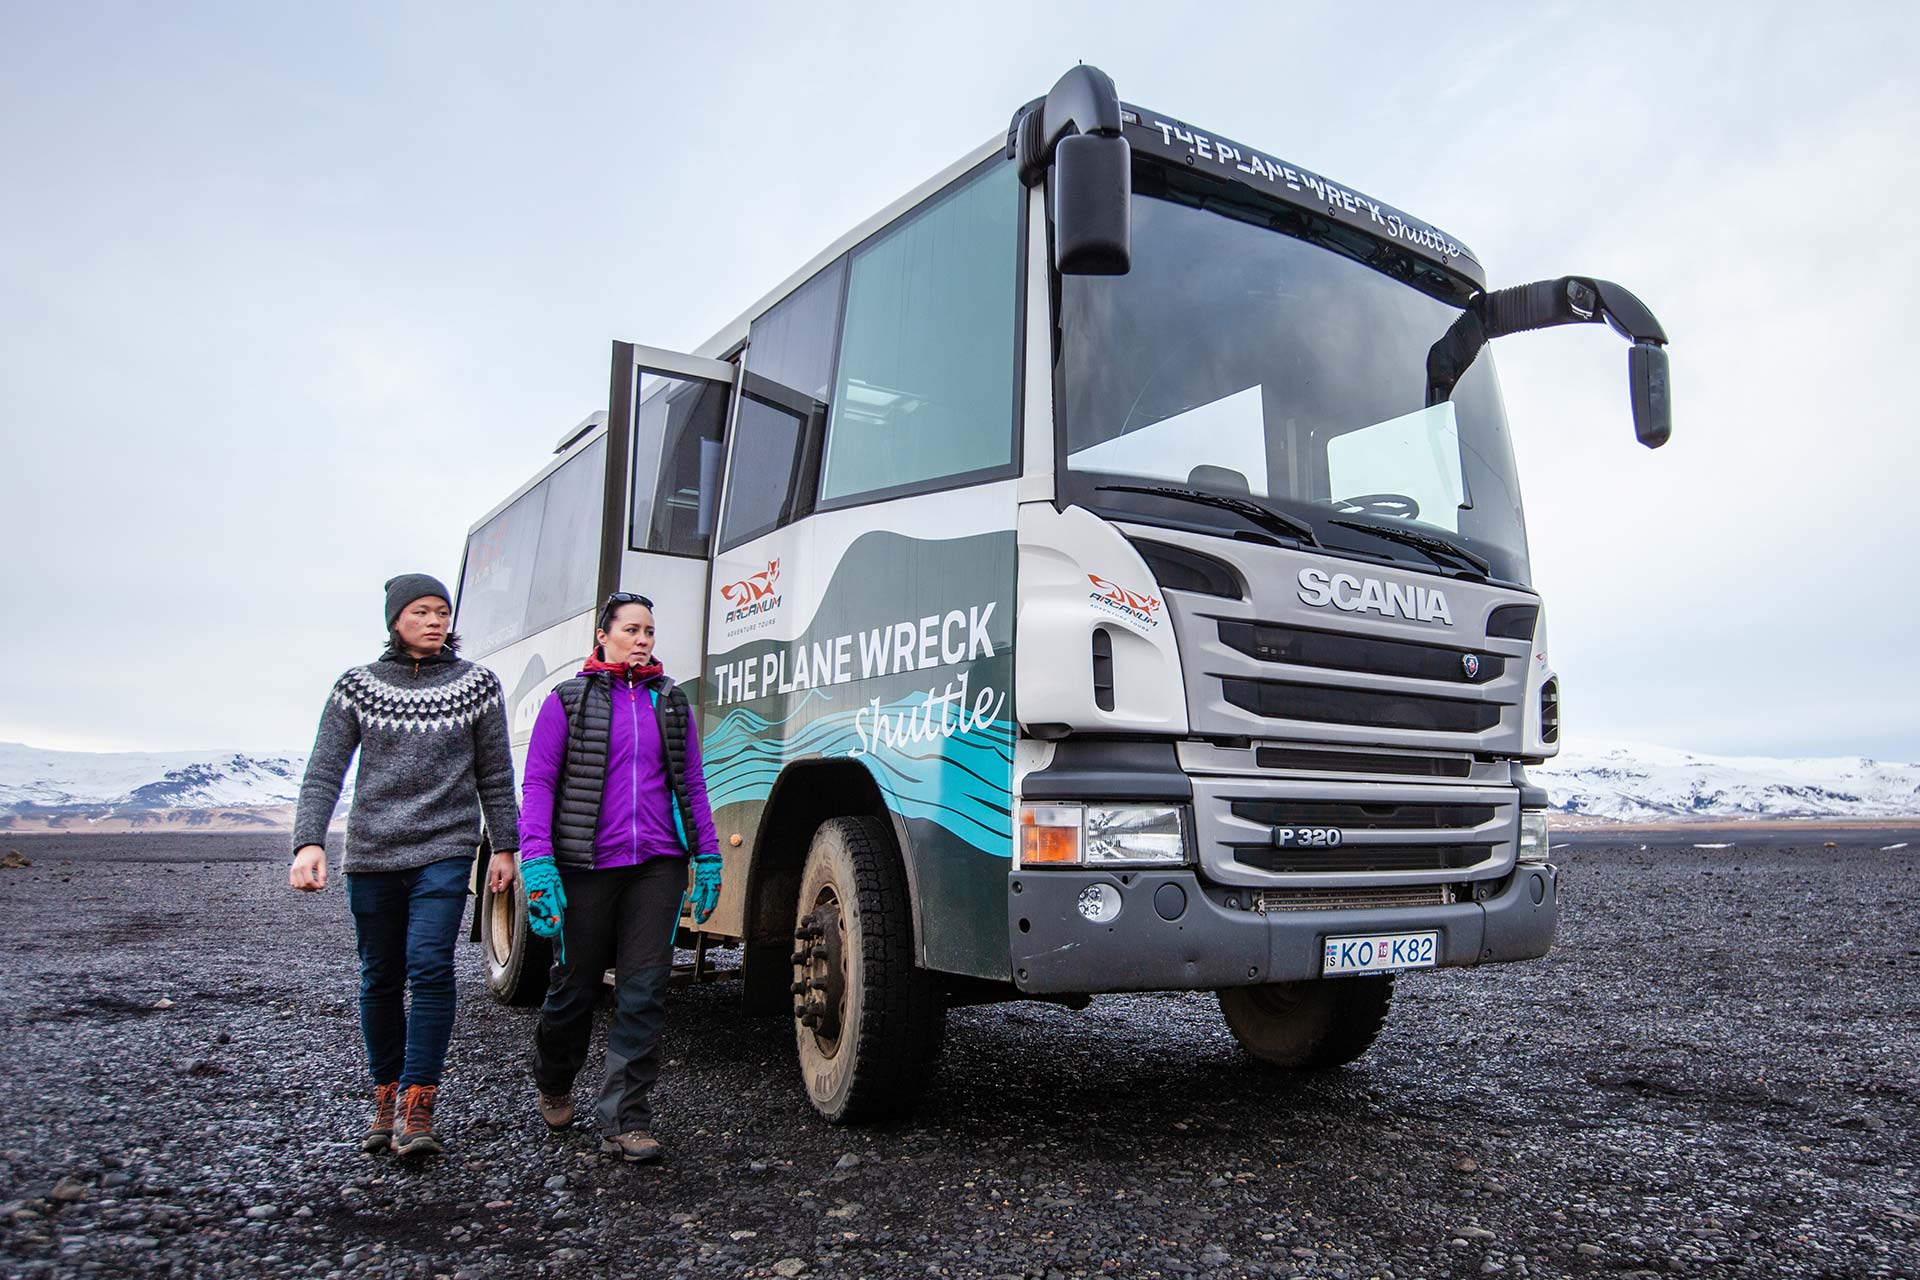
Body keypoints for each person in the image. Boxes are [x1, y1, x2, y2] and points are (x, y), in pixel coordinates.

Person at [288, 573, 520, 1159]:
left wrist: (505, 846)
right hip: (372, 852)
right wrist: (308, 842)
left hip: (445, 848)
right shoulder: (358, 687)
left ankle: (419, 1104)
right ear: (396, 620)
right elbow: (324, 769)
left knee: (431, 966)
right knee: (381, 975)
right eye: (421, 611)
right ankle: (385, 1097)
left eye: (442, 611)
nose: (435, 621)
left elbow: (495, 772)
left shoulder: (477, 685)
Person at [515, 591, 722, 1163]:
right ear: (603, 636)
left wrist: (707, 855)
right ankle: (554, 1078)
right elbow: (539, 784)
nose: (642, 640)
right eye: (631, 629)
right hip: (585, 866)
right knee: (574, 987)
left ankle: (626, 1118)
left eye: (649, 631)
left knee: (644, 990)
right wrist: (538, 862)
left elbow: (692, 784)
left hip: (657, 866)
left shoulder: (670, 702)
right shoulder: (569, 701)